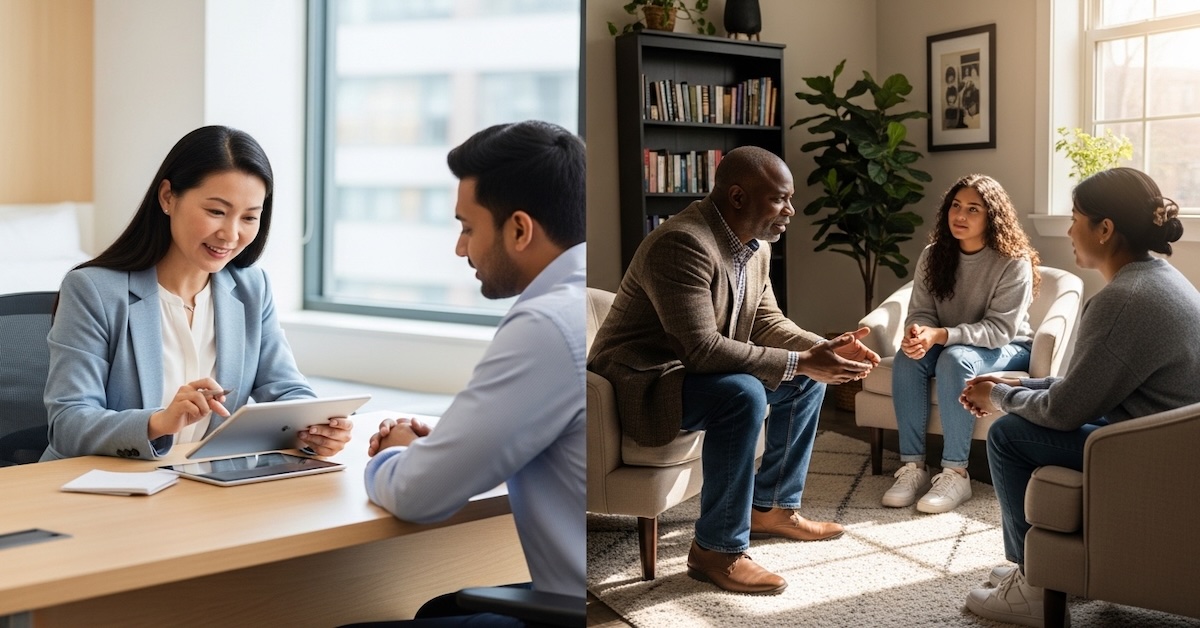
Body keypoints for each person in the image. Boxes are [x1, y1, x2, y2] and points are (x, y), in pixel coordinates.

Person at [588, 146, 880, 595]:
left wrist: (824, 351)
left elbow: (767, 322)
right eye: (780, 199)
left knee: (804, 379)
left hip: (689, 369)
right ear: (739, 197)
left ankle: (771, 509)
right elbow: (701, 349)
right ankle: (716, 551)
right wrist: (802, 360)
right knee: (743, 393)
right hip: (642, 379)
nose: (791, 210)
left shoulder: (754, 247)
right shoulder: (682, 243)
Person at [360, 120, 585, 626]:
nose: (461, 249)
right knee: (438, 607)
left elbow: (419, 496)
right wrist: (453, 441)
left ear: (520, 229)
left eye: (466, 227)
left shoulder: (547, 322)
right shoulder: (598, 297)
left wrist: (397, 452)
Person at [960, 168, 1200, 627]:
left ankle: (1033, 583)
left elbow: (1067, 411)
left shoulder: (1122, 300)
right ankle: (1048, 568)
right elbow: (1090, 386)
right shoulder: (1158, 278)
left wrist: (1000, 399)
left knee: (1009, 434)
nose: (1069, 230)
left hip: (1154, 456)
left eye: (1075, 218)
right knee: (1016, 410)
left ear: (1105, 229)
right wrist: (1016, 386)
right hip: (1170, 442)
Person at [43, 125, 352, 462]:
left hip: (199, 485)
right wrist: (158, 422)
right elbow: (68, 424)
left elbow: (286, 389)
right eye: (216, 212)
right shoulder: (94, 291)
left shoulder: (252, 288)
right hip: (100, 489)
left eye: (249, 217)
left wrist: (318, 429)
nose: (231, 234)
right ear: (167, 197)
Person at [882, 174, 1040, 514]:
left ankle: (956, 471)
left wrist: (940, 336)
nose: (960, 216)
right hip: (951, 342)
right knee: (908, 358)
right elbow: (922, 312)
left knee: (955, 359)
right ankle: (913, 467)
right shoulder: (933, 255)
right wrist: (917, 335)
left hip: (1008, 345)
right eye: (955, 206)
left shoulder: (1013, 261)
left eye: (973, 209)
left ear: (991, 217)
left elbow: (999, 330)